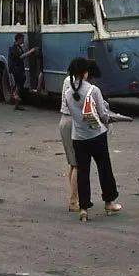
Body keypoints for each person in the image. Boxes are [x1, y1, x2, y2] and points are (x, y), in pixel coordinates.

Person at [65, 57, 122, 222]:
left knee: (83, 172)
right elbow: (103, 115)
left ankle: (83, 208)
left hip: (78, 137)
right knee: (104, 168)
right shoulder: (94, 90)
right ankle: (109, 202)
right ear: (85, 72)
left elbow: (72, 113)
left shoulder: (68, 93)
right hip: (96, 136)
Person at [59, 74, 78, 212]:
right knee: (78, 165)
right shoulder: (77, 84)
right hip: (73, 123)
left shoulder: (67, 79)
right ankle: (73, 200)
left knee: (73, 163)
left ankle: (74, 198)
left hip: (64, 121)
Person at [9, 33, 38, 111]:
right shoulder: (13, 48)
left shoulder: (19, 47)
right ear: (18, 39)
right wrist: (30, 52)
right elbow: (20, 57)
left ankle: (17, 105)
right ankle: (14, 95)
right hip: (16, 70)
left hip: (20, 69)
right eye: (22, 39)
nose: (23, 41)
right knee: (18, 84)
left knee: (19, 85)